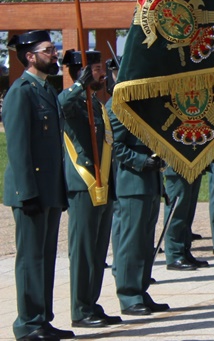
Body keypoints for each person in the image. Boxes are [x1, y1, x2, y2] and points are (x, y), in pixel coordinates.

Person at [3, 31, 73, 341]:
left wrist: (58, 191)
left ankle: (42, 319)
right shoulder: (22, 92)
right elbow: (18, 149)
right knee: (31, 259)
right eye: (48, 50)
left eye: (53, 48)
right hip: (31, 192)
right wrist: (27, 192)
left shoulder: (45, 90)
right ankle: (27, 324)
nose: (54, 54)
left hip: (49, 191)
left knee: (45, 258)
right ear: (31, 56)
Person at [58, 50, 121, 329]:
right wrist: (76, 86)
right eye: (95, 69)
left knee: (97, 251)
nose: (101, 74)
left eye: (99, 69)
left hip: (103, 183)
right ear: (82, 72)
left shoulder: (95, 103)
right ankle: (79, 308)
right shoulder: (74, 101)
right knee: (83, 251)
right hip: (83, 184)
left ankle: (91, 303)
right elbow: (59, 106)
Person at [109, 92, 171, 317]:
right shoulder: (122, 106)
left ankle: (141, 290)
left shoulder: (147, 106)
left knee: (145, 244)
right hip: (132, 184)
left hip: (150, 184)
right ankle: (128, 295)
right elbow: (113, 144)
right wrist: (141, 161)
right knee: (131, 243)